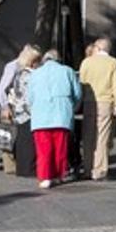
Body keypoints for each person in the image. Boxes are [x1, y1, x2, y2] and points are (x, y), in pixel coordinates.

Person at [27, 50, 81, 189]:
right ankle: (58, 175)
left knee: (43, 149)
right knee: (60, 148)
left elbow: (30, 97)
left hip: (40, 116)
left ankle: (45, 177)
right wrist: (72, 106)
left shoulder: (35, 74)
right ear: (58, 59)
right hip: (61, 114)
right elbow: (77, 93)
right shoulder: (68, 71)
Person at [78, 37, 116, 181]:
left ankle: (87, 167)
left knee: (88, 136)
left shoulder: (86, 62)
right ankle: (99, 170)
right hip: (105, 102)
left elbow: (81, 82)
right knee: (102, 137)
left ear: (97, 48)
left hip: (89, 101)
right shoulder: (114, 63)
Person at [4, 44, 43, 179]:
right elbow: (31, 96)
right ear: (33, 61)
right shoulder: (31, 75)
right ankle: (29, 168)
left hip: (19, 111)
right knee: (29, 143)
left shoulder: (19, 73)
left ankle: (22, 168)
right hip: (29, 112)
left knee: (22, 141)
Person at [0, 53, 21, 175]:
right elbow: (1, 89)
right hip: (11, 107)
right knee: (8, 136)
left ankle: (14, 163)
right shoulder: (13, 66)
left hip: (16, 106)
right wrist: (5, 106)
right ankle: (10, 165)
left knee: (11, 135)